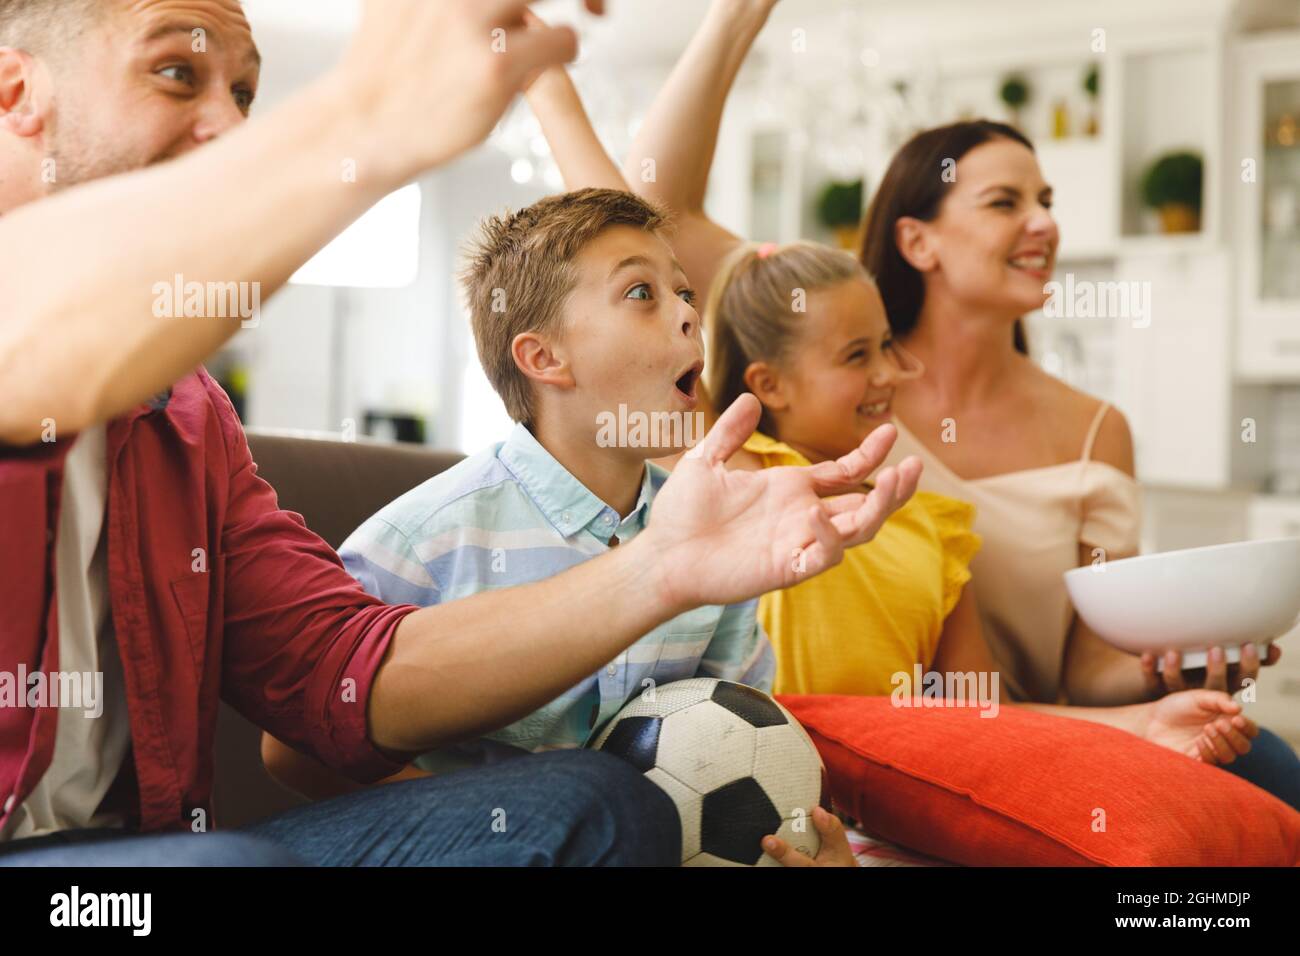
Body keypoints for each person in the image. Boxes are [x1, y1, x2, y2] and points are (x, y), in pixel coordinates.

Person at [0, 0, 919, 866]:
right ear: (17, 93)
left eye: (246, 93)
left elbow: (339, 675)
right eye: (175, 74)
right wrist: (371, 110)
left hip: (141, 858)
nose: (231, 129)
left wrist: (661, 565)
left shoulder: (192, 420)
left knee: (600, 801)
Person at [614, 0, 1300, 810]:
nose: (1045, 221)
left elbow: (1084, 671)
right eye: (1006, 202)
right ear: (918, 241)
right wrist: (736, 16)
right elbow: (650, 200)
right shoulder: (822, 354)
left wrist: (1172, 673)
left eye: (1046, 198)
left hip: (1023, 731)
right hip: (897, 744)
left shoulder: (1094, 432)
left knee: (1266, 761)